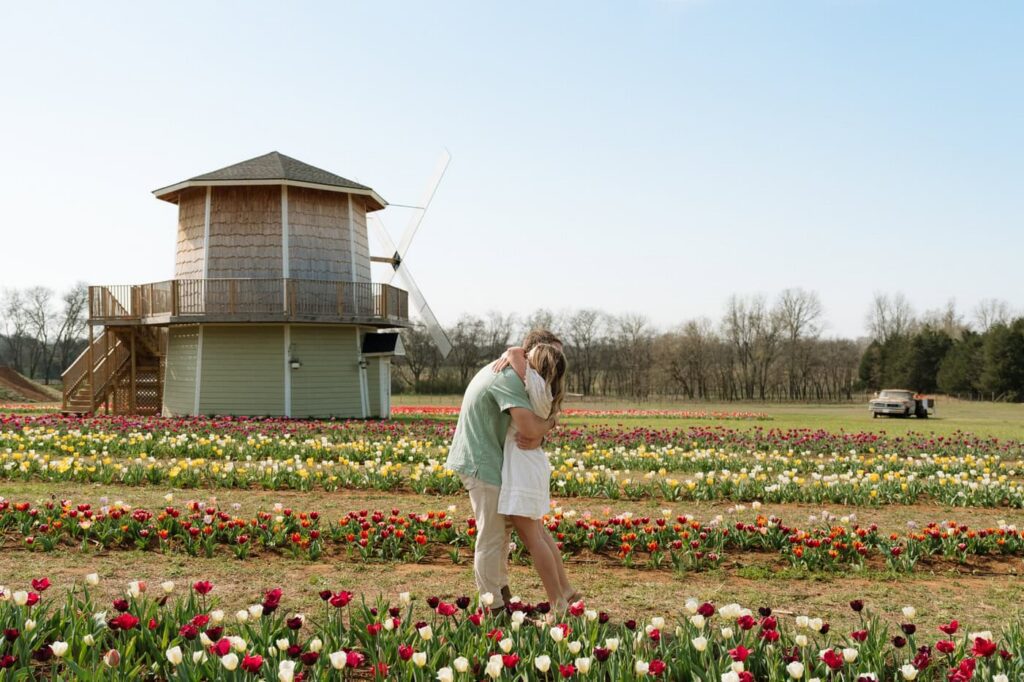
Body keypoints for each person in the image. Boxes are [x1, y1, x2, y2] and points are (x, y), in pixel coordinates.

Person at [445, 329, 562, 609]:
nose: (552, 364)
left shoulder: (520, 375)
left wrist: (546, 425)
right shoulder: (508, 378)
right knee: (492, 535)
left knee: (501, 534)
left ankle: (501, 594)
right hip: (481, 460)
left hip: (490, 458)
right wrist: (550, 424)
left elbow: (536, 424)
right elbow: (529, 428)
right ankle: (493, 607)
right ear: (530, 353)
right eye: (547, 355)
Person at [495, 342, 580, 612]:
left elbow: (517, 355)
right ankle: (563, 593)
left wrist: (513, 353)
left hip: (521, 466)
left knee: (533, 539)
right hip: (531, 464)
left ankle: (557, 602)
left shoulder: (532, 383)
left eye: (530, 358)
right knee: (539, 535)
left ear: (536, 366)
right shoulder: (548, 391)